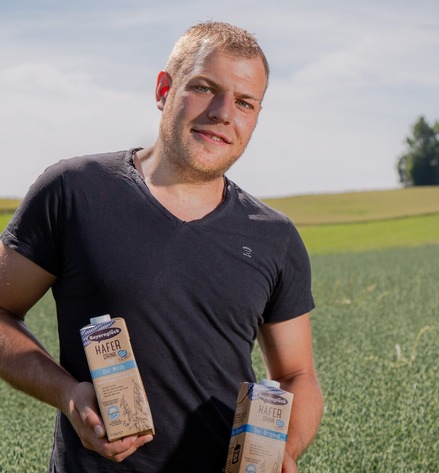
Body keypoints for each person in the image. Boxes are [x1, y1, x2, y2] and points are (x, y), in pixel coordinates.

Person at [0, 21, 322, 472]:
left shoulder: (275, 237)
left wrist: (282, 450)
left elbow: (296, 375)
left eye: (245, 102)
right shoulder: (74, 192)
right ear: (164, 89)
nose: (223, 113)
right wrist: (68, 394)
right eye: (206, 88)